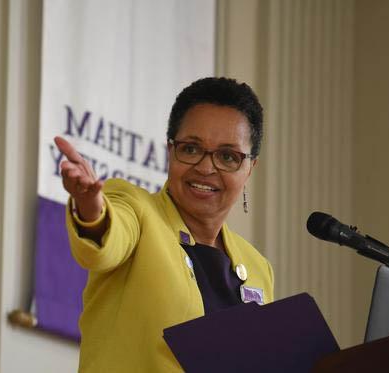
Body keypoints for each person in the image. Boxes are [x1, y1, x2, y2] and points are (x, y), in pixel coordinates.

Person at [54, 77, 274, 372]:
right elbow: (105, 242)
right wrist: (91, 208)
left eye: (227, 156)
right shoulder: (138, 211)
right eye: (192, 149)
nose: (207, 168)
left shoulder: (259, 268)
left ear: (250, 168)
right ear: (170, 150)